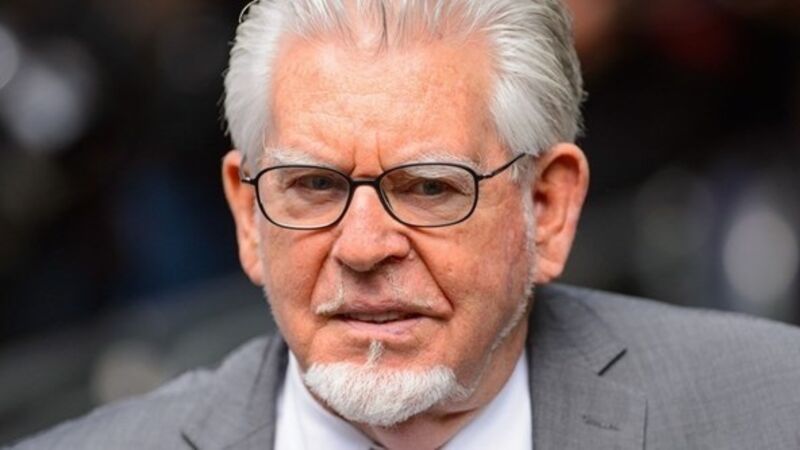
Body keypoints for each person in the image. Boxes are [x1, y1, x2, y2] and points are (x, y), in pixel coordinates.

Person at [10, 1, 800, 449]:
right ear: (248, 215)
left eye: (428, 188)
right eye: (313, 185)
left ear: (548, 209)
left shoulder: (771, 413)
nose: (362, 247)